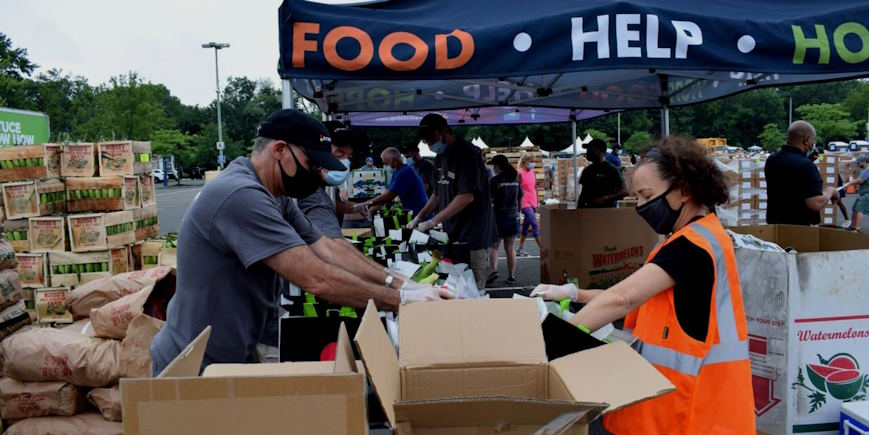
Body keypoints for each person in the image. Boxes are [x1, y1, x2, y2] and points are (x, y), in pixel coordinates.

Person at [151, 109, 452, 374]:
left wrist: (403, 284)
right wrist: (399, 301)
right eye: (310, 163)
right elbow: (316, 277)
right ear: (280, 150)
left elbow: (329, 247)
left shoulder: (275, 195)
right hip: (193, 364)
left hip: (231, 355)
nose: (315, 173)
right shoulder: (241, 196)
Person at [532, 137, 755, 434]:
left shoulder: (692, 246)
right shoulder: (695, 237)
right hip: (678, 405)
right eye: (637, 197)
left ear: (685, 190)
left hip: (690, 412)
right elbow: (638, 297)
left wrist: (546, 346)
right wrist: (573, 294)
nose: (640, 206)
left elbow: (623, 299)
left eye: (647, 196)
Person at [408, 113, 498, 291]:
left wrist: (434, 221)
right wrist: (419, 217)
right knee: (456, 287)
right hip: (453, 234)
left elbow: (467, 195)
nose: (430, 144)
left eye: (431, 138)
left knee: (474, 288)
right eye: (426, 141)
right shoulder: (440, 158)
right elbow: (437, 193)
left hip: (474, 235)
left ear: (445, 131)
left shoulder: (467, 154)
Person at [765, 120, 839, 225]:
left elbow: (789, 178)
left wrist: (807, 160)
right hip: (799, 227)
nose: (813, 143)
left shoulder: (772, 159)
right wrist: (830, 191)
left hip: (775, 224)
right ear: (807, 139)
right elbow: (814, 203)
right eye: (813, 139)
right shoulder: (806, 166)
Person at [355, 147, 429, 217]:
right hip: (415, 214)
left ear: (394, 160)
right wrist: (369, 210)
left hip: (421, 215)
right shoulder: (397, 172)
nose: (385, 166)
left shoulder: (405, 172)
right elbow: (386, 193)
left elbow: (388, 196)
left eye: (386, 163)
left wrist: (365, 204)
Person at [487, 154, 522, 285]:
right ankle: (511, 276)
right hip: (513, 217)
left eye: (494, 165)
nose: (493, 168)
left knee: (494, 247)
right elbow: (520, 199)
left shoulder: (494, 180)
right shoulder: (515, 180)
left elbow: (489, 199)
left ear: (498, 165)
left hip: (498, 217)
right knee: (510, 247)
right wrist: (518, 212)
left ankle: (494, 270)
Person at [577, 138, 629, 208]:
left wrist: (605, 198)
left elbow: (625, 191)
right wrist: (578, 210)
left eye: (591, 149)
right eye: (587, 149)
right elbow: (583, 194)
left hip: (607, 212)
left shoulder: (611, 169)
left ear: (600, 151)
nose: (588, 152)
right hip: (589, 212)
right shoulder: (587, 170)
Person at [515, 154, 540, 257]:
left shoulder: (533, 173)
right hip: (524, 202)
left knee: (525, 225)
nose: (534, 163)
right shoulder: (519, 173)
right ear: (526, 162)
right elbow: (516, 189)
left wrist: (537, 201)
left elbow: (535, 188)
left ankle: (519, 249)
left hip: (533, 201)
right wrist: (517, 204)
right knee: (534, 223)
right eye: (532, 161)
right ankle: (542, 249)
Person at [849, 156, 869, 232]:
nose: (858, 164)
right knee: (855, 208)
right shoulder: (863, 170)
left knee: (860, 209)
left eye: (859, 162)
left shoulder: (867, 170)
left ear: (864, 162)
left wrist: (850, 182)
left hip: (867, 194)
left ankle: (857, 228)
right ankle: (853, 226)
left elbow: (861, 181)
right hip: (862, 193)